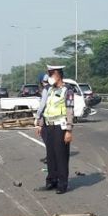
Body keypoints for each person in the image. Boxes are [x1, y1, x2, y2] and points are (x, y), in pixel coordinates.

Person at [36, 65, 74, 194]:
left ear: (58, 74)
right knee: (51, 156)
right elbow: (46, 108)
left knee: (61, 156)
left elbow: (70, 110)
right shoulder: (50, 90)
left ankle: (62, 184)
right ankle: (51, 181)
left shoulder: (67, 90)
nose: (49, 76)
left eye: (51, 73)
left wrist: (69, 130)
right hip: (48, 125)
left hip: (60, 126)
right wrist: (41, 124)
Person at [35, 73, 50, 163]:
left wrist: (37, 116)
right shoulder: (53, 88)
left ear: (41, 81)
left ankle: (50, 157)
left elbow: (42, 105)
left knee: (46, 137)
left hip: (47, 116)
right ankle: (50, 156)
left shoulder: (46, 90)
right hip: (54, 116)